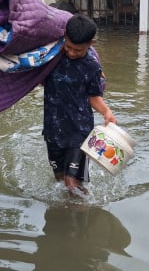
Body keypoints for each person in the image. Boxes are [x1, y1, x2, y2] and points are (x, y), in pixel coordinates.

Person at [42, 14, 117, 195]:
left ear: (90, 44)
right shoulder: (50, 57)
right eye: (69, 47)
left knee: (72, 184)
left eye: (78, 50)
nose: (72, 53)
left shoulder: (92, 66)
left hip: (79, 132)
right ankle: (66, 218)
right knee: (60, 179)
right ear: (64, 37)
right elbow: (35, 80)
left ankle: (87, 217)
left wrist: (106, 111)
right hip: (53, 129)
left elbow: (93, 97)